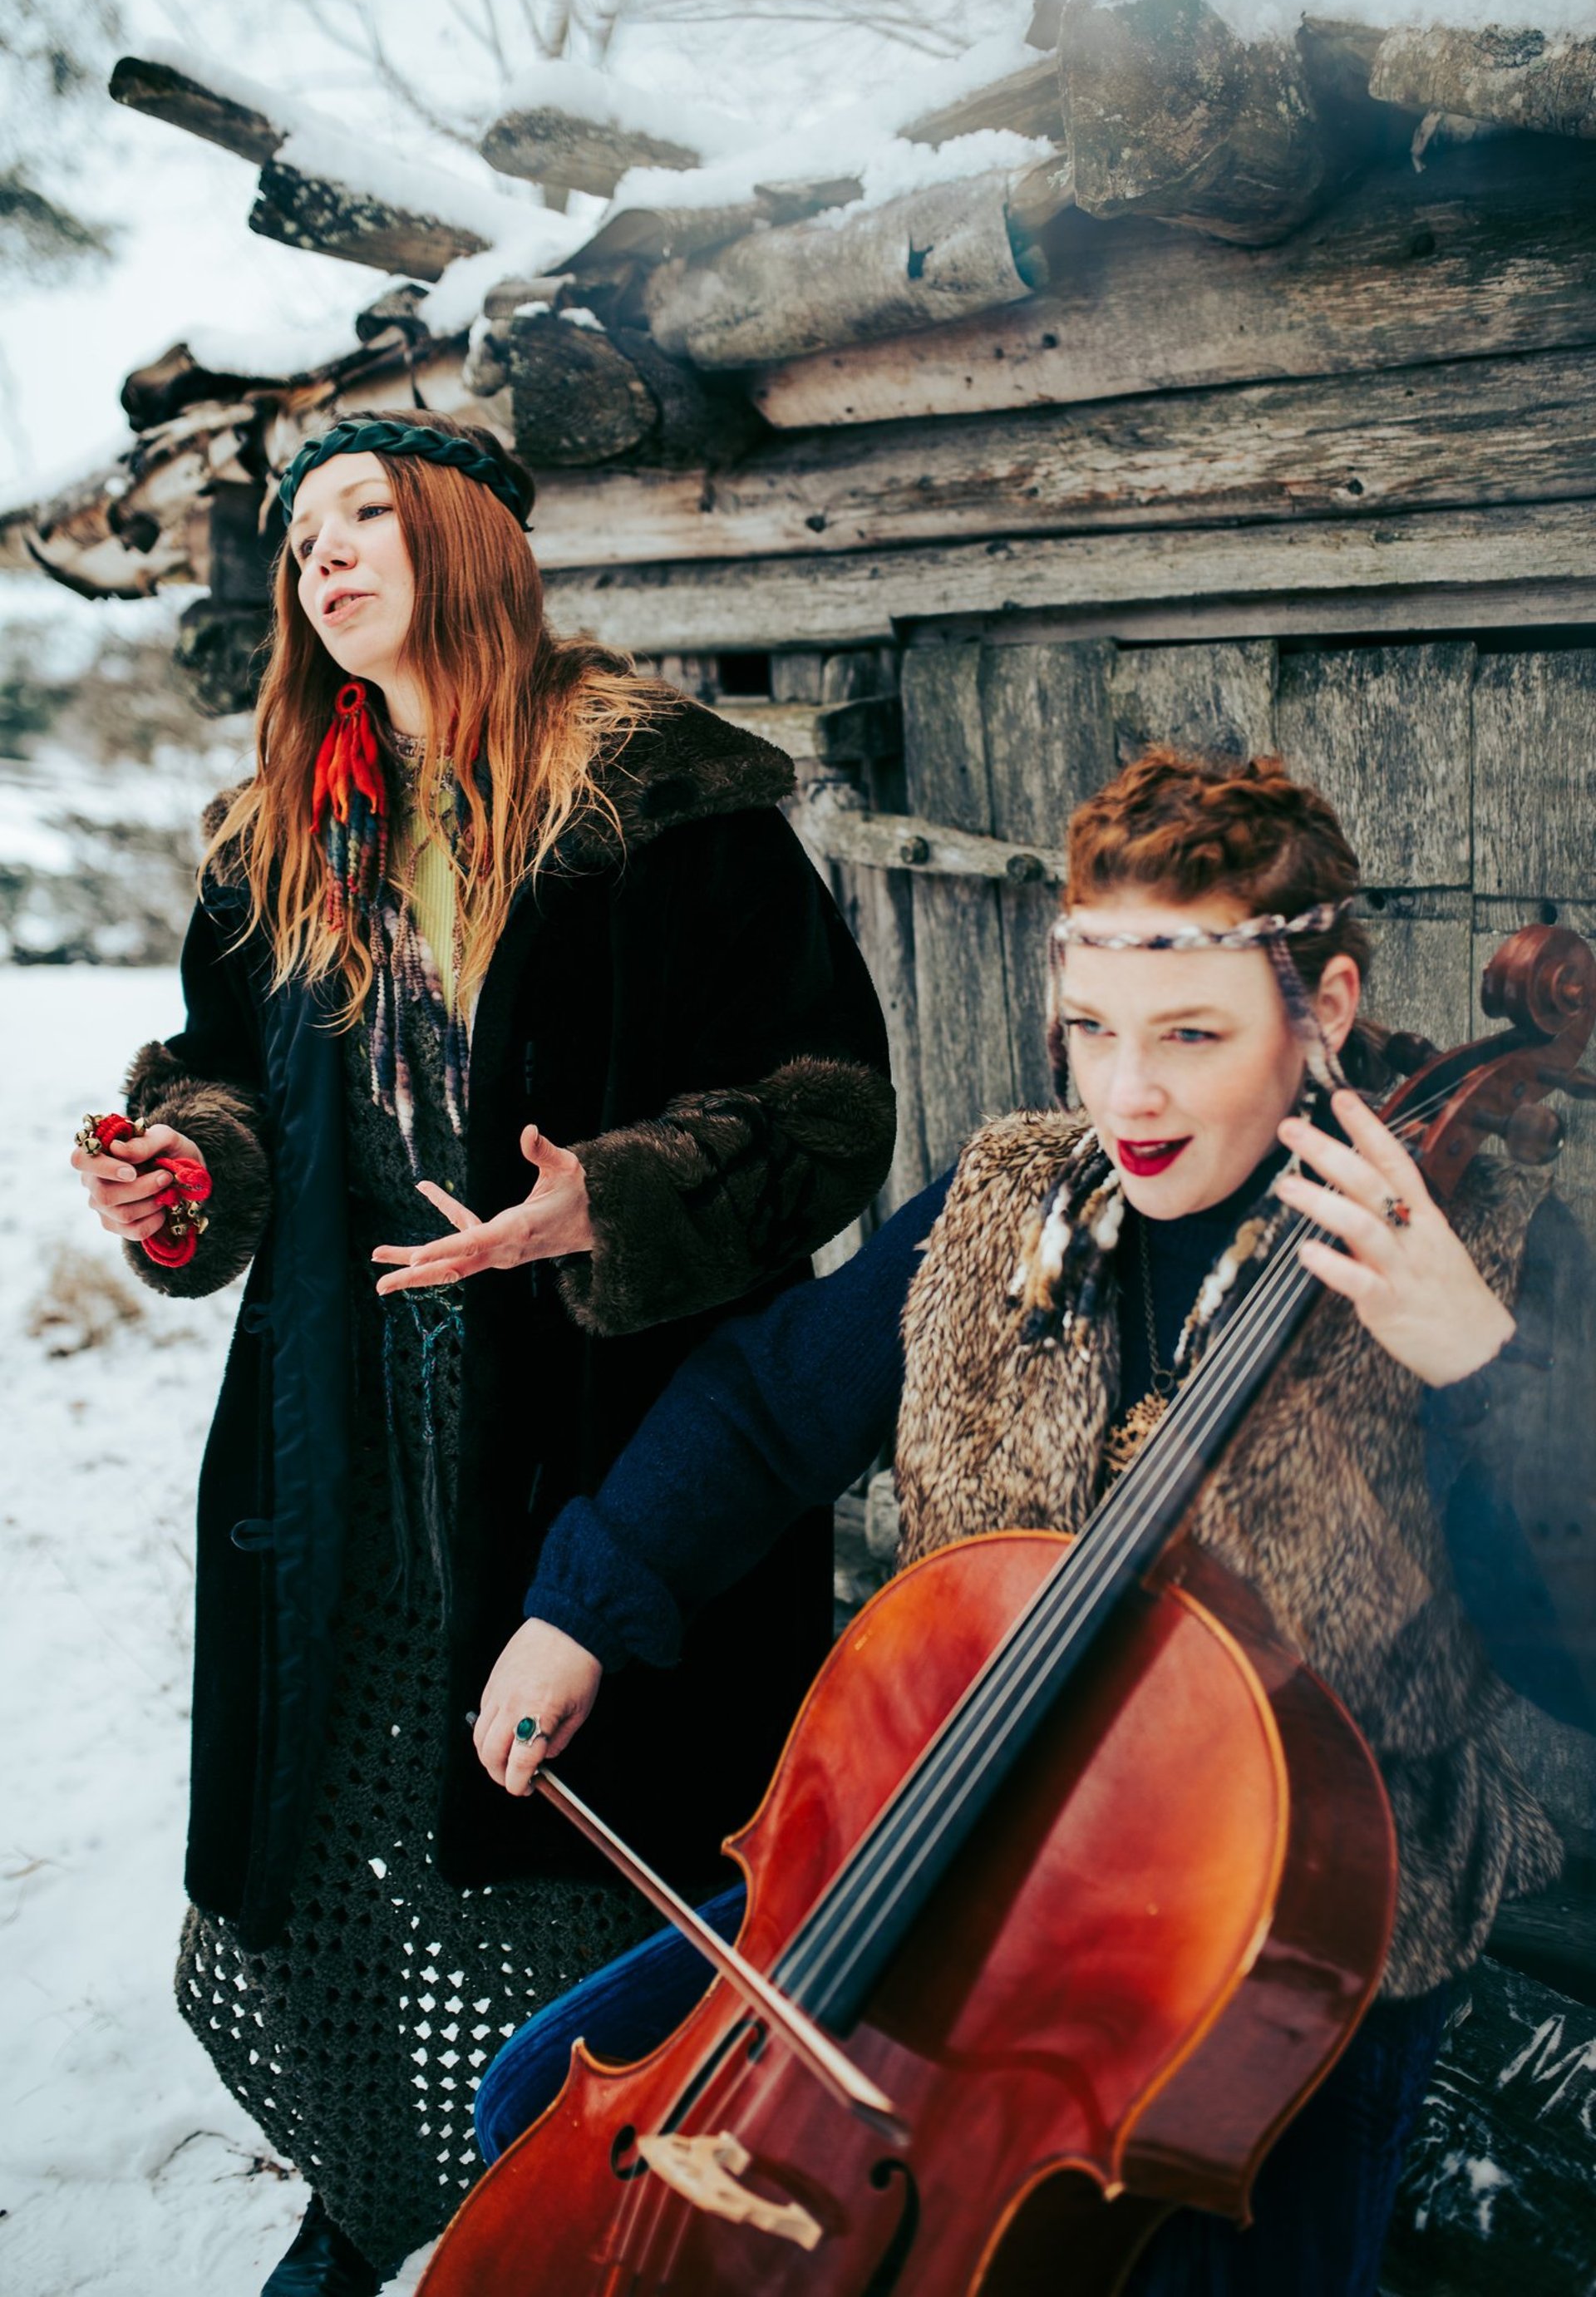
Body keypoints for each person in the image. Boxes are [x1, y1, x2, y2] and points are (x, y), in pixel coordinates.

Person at [475, 748, 1596, 2297]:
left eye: (1191, 1035)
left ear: (1324, 1008)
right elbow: (765, 1404)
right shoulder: (1011, 1202)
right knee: (540, 2089)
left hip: (1281, 1930)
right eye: (1091, 1032)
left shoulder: (1477, 1252)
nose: (1124, 1096)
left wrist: (1477, 1355)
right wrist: (584, 1599)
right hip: (942, 1832)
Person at [68, 408, 895, 2295]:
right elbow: (233, 1084)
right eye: (298, 539)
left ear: (465, 535)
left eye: (362, 513)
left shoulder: (664, 806)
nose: (323, 556)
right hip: (348, 1432)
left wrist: (608, 1196)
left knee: (592, 1843)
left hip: (599, 1419)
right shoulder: (283, 827)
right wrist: (187, 1167)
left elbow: (833, 1109)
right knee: (352, 1819)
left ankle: (616, 2201)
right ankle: (372, 2195)